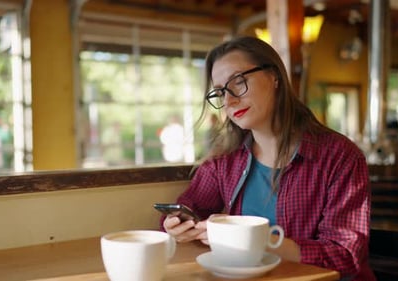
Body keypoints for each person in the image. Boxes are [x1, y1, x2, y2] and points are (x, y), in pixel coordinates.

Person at [161, 36, 375, 280]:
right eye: (220, 92)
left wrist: (257, 240)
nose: (229, 100)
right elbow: (188, 210)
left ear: (274, 76)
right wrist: (176, 227)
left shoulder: (340, 157)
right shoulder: (224, 160)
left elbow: (345, 255)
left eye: (238, 82)